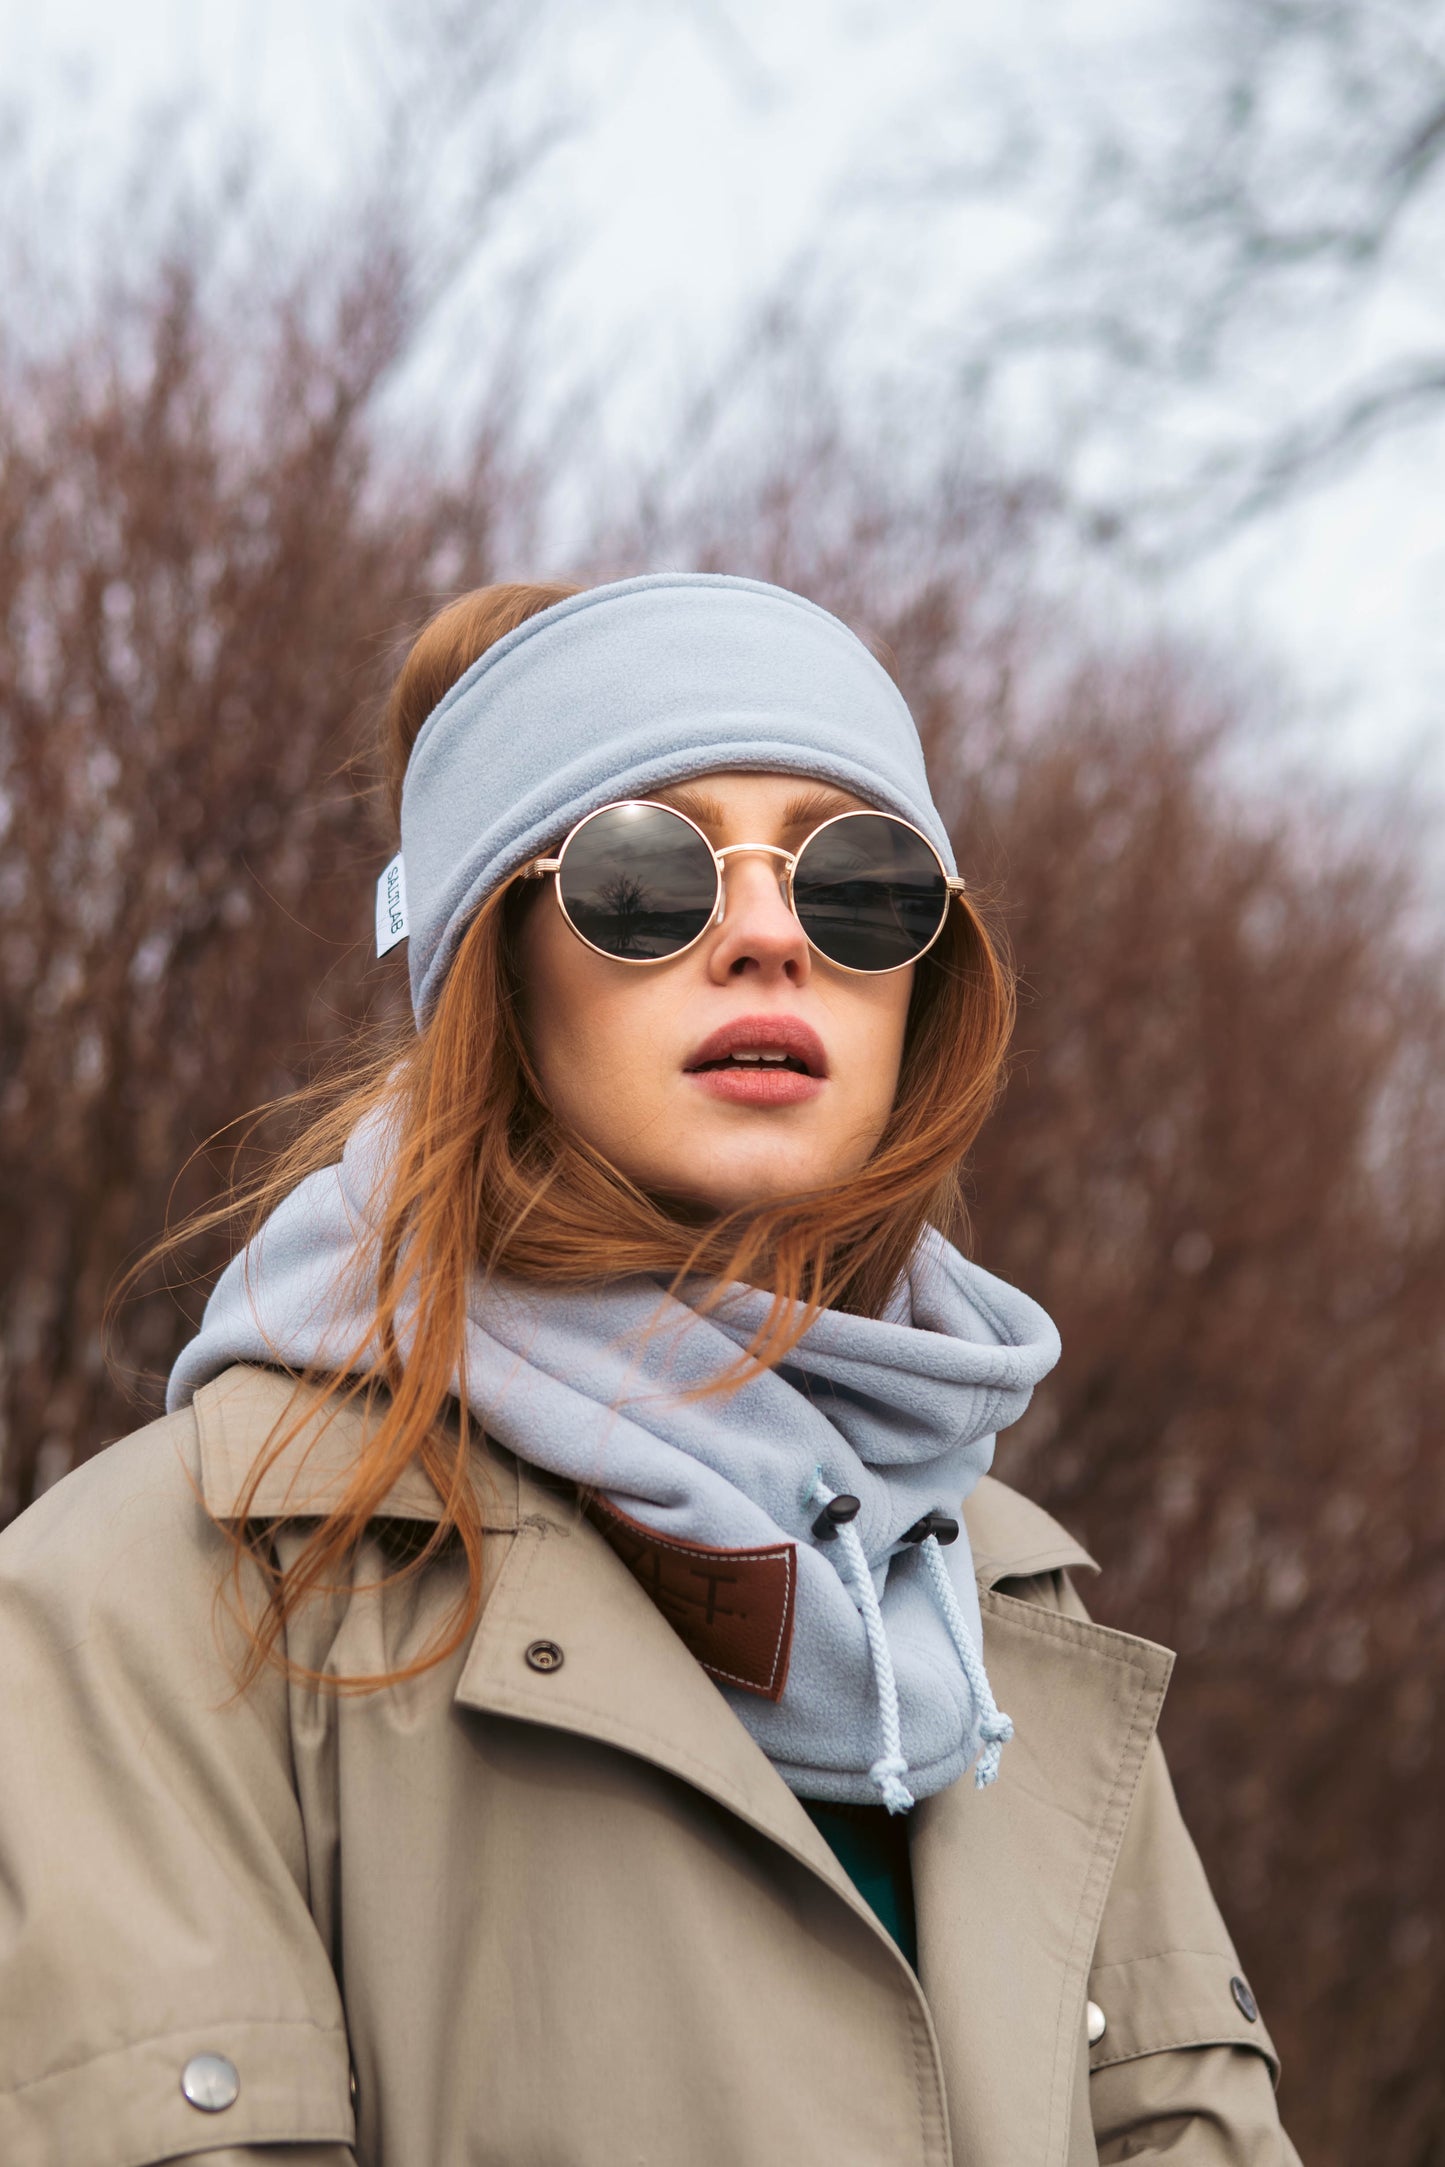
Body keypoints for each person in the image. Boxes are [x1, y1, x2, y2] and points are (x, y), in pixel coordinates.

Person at [0, 573, 1302, 2166]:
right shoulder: (155, 1596)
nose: (766, 937)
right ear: (496, 963)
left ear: (925, 987)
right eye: (644, 876)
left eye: (859, 881)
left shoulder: (1004, 1609)